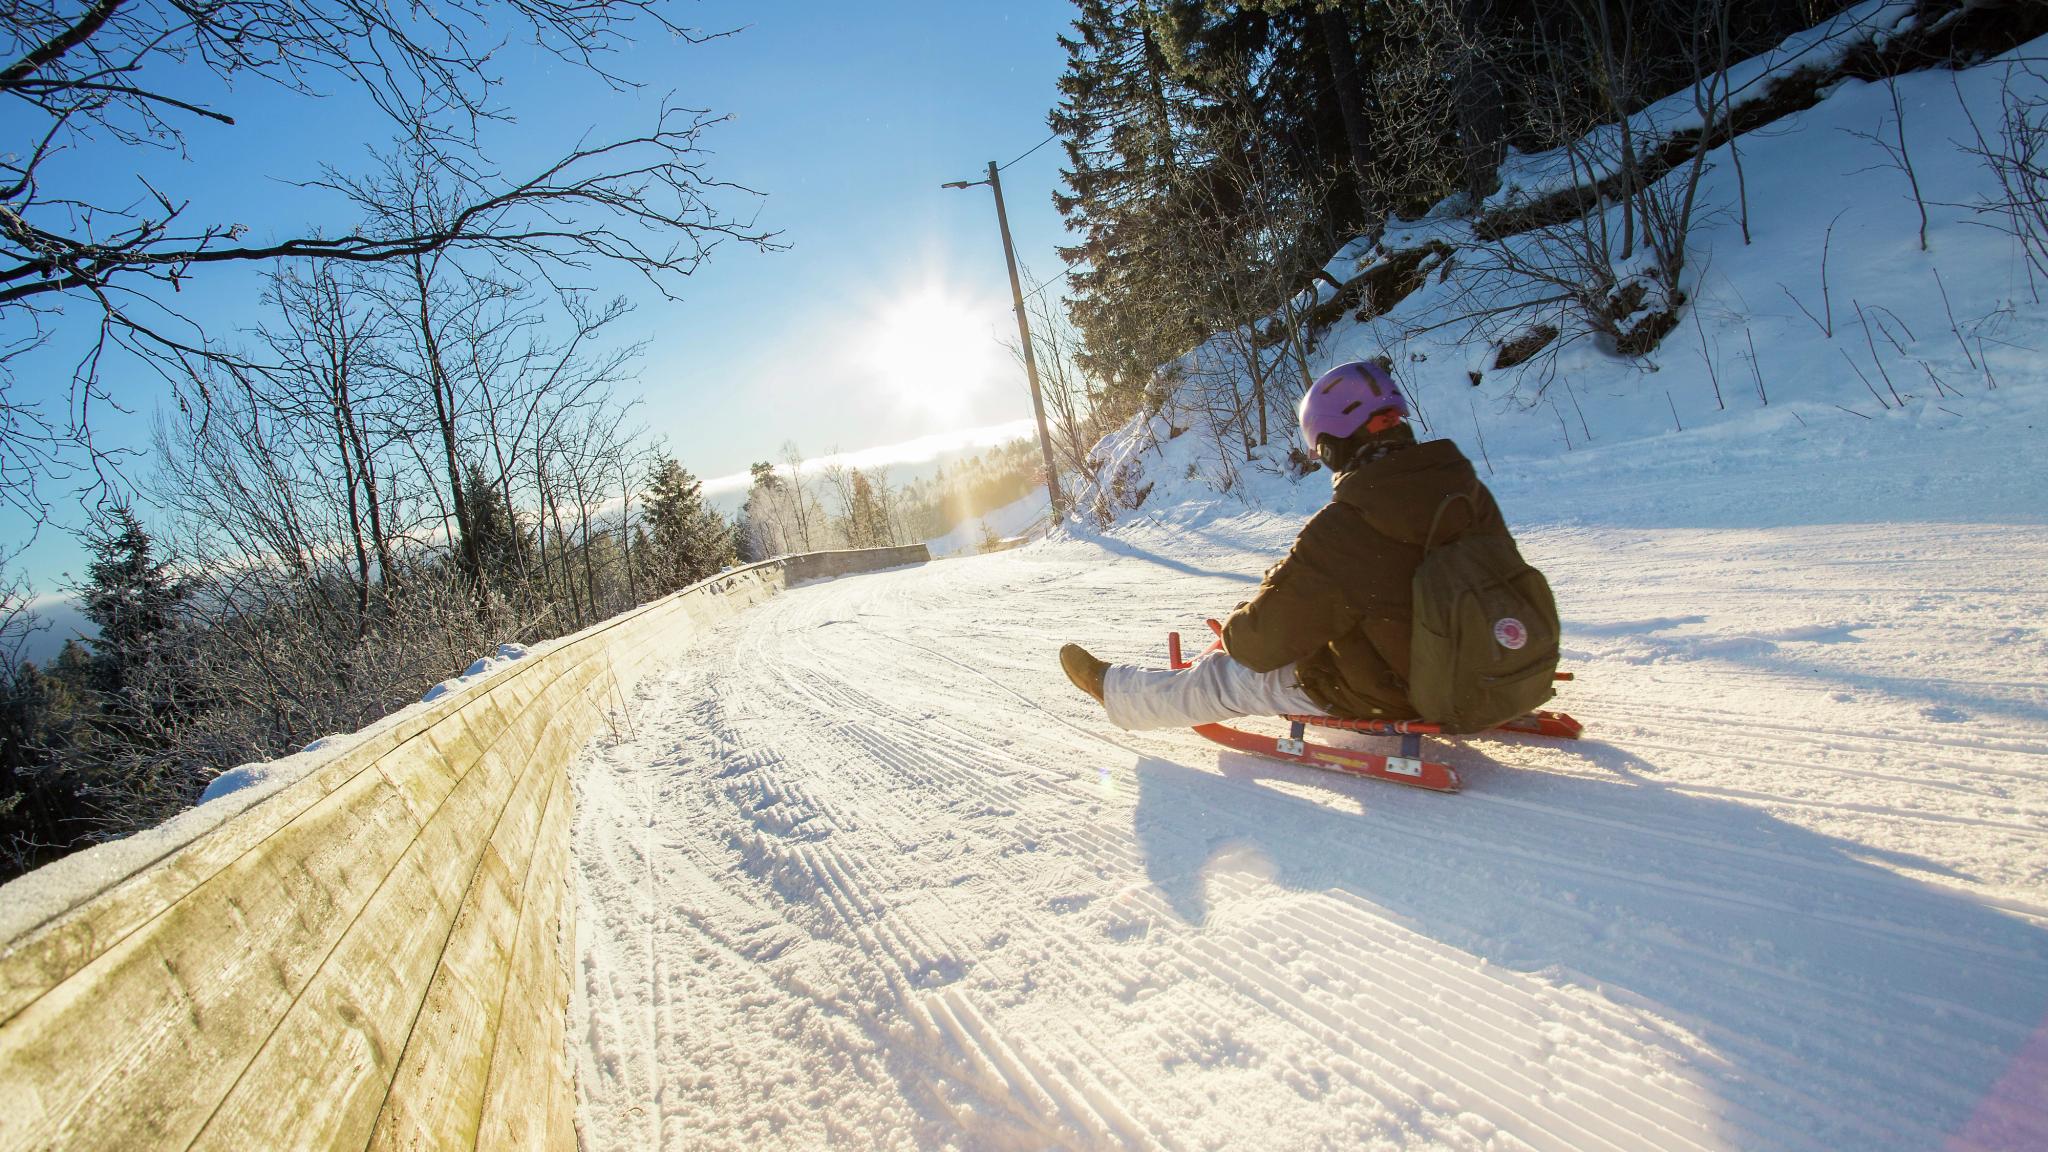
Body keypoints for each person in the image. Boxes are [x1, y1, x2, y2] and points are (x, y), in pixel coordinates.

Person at [1061, 359, 1516, 731]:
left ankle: (1118, 692)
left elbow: (1259, 646)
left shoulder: (1348, 525)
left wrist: (1241, 628)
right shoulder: (1464, 490)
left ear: (1335, 443)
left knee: (1228, 679)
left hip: (1404, 690)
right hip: (1493, 663)